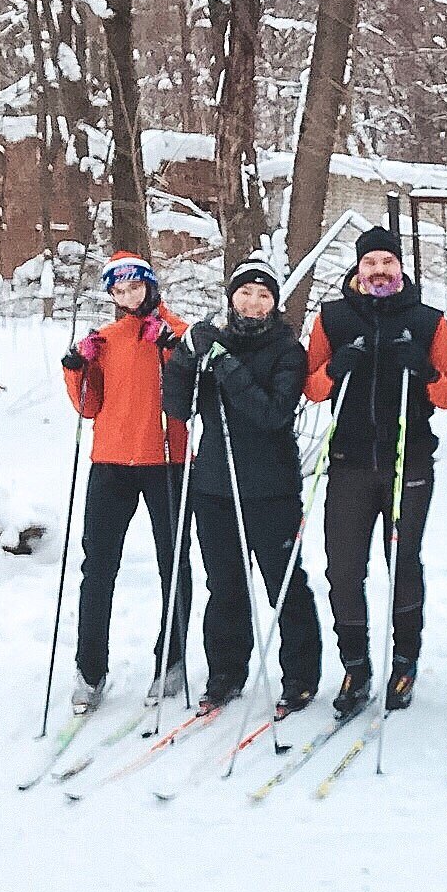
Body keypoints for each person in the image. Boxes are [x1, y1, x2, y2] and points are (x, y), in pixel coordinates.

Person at [303, 227, 447, 716]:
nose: (379, 272)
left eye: (387, 263)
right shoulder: (332, 317)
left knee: (403, 564)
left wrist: (425, 371)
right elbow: (312, 388)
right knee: (343, 569)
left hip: (406, 462)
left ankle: (405, 661)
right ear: (358, 269)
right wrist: (337, 367)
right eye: (370, 264)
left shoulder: (428, 321)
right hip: (349, 464)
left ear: (400, 268)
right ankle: (355, 665)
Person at [160, 259, 324, 716]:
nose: (253, 303)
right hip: (214, 486)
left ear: (275, 303)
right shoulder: (216, 341)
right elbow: (177, 405)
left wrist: (227, 366)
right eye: (245, 293)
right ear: (232, 297)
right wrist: (186, 357)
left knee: (284, 583)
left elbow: (272, 415)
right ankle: (227, 672)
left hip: (271, 489)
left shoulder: (287, 350)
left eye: (264, 295)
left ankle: (300, 676)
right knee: (225, 585)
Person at [60, 252, 192, 710]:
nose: (127, 297)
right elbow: (88, 405)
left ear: (150, 286)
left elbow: (192, 390)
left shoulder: (179, 331)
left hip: (166, 460)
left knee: (172, 562)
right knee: (98, 566)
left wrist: (173, 348)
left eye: (134, 288)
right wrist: (76, 365)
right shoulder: (107, 338)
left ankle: (171, 658)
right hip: (111, 462)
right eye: (118, 291)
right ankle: (89, 668)